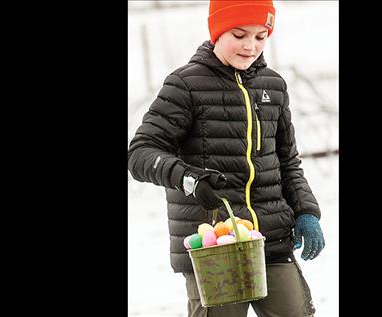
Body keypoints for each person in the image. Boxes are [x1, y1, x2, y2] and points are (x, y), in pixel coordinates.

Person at [128, 1, 325, 316]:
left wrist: (306, 211)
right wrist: (190, 179)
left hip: (271, 240)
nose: (251, 47)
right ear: (217, 31)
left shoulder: (273, 86)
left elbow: (287, 162)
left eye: (261, 37)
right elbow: (141, 152)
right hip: (213, 245)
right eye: (239, 34)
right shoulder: (186, 85)